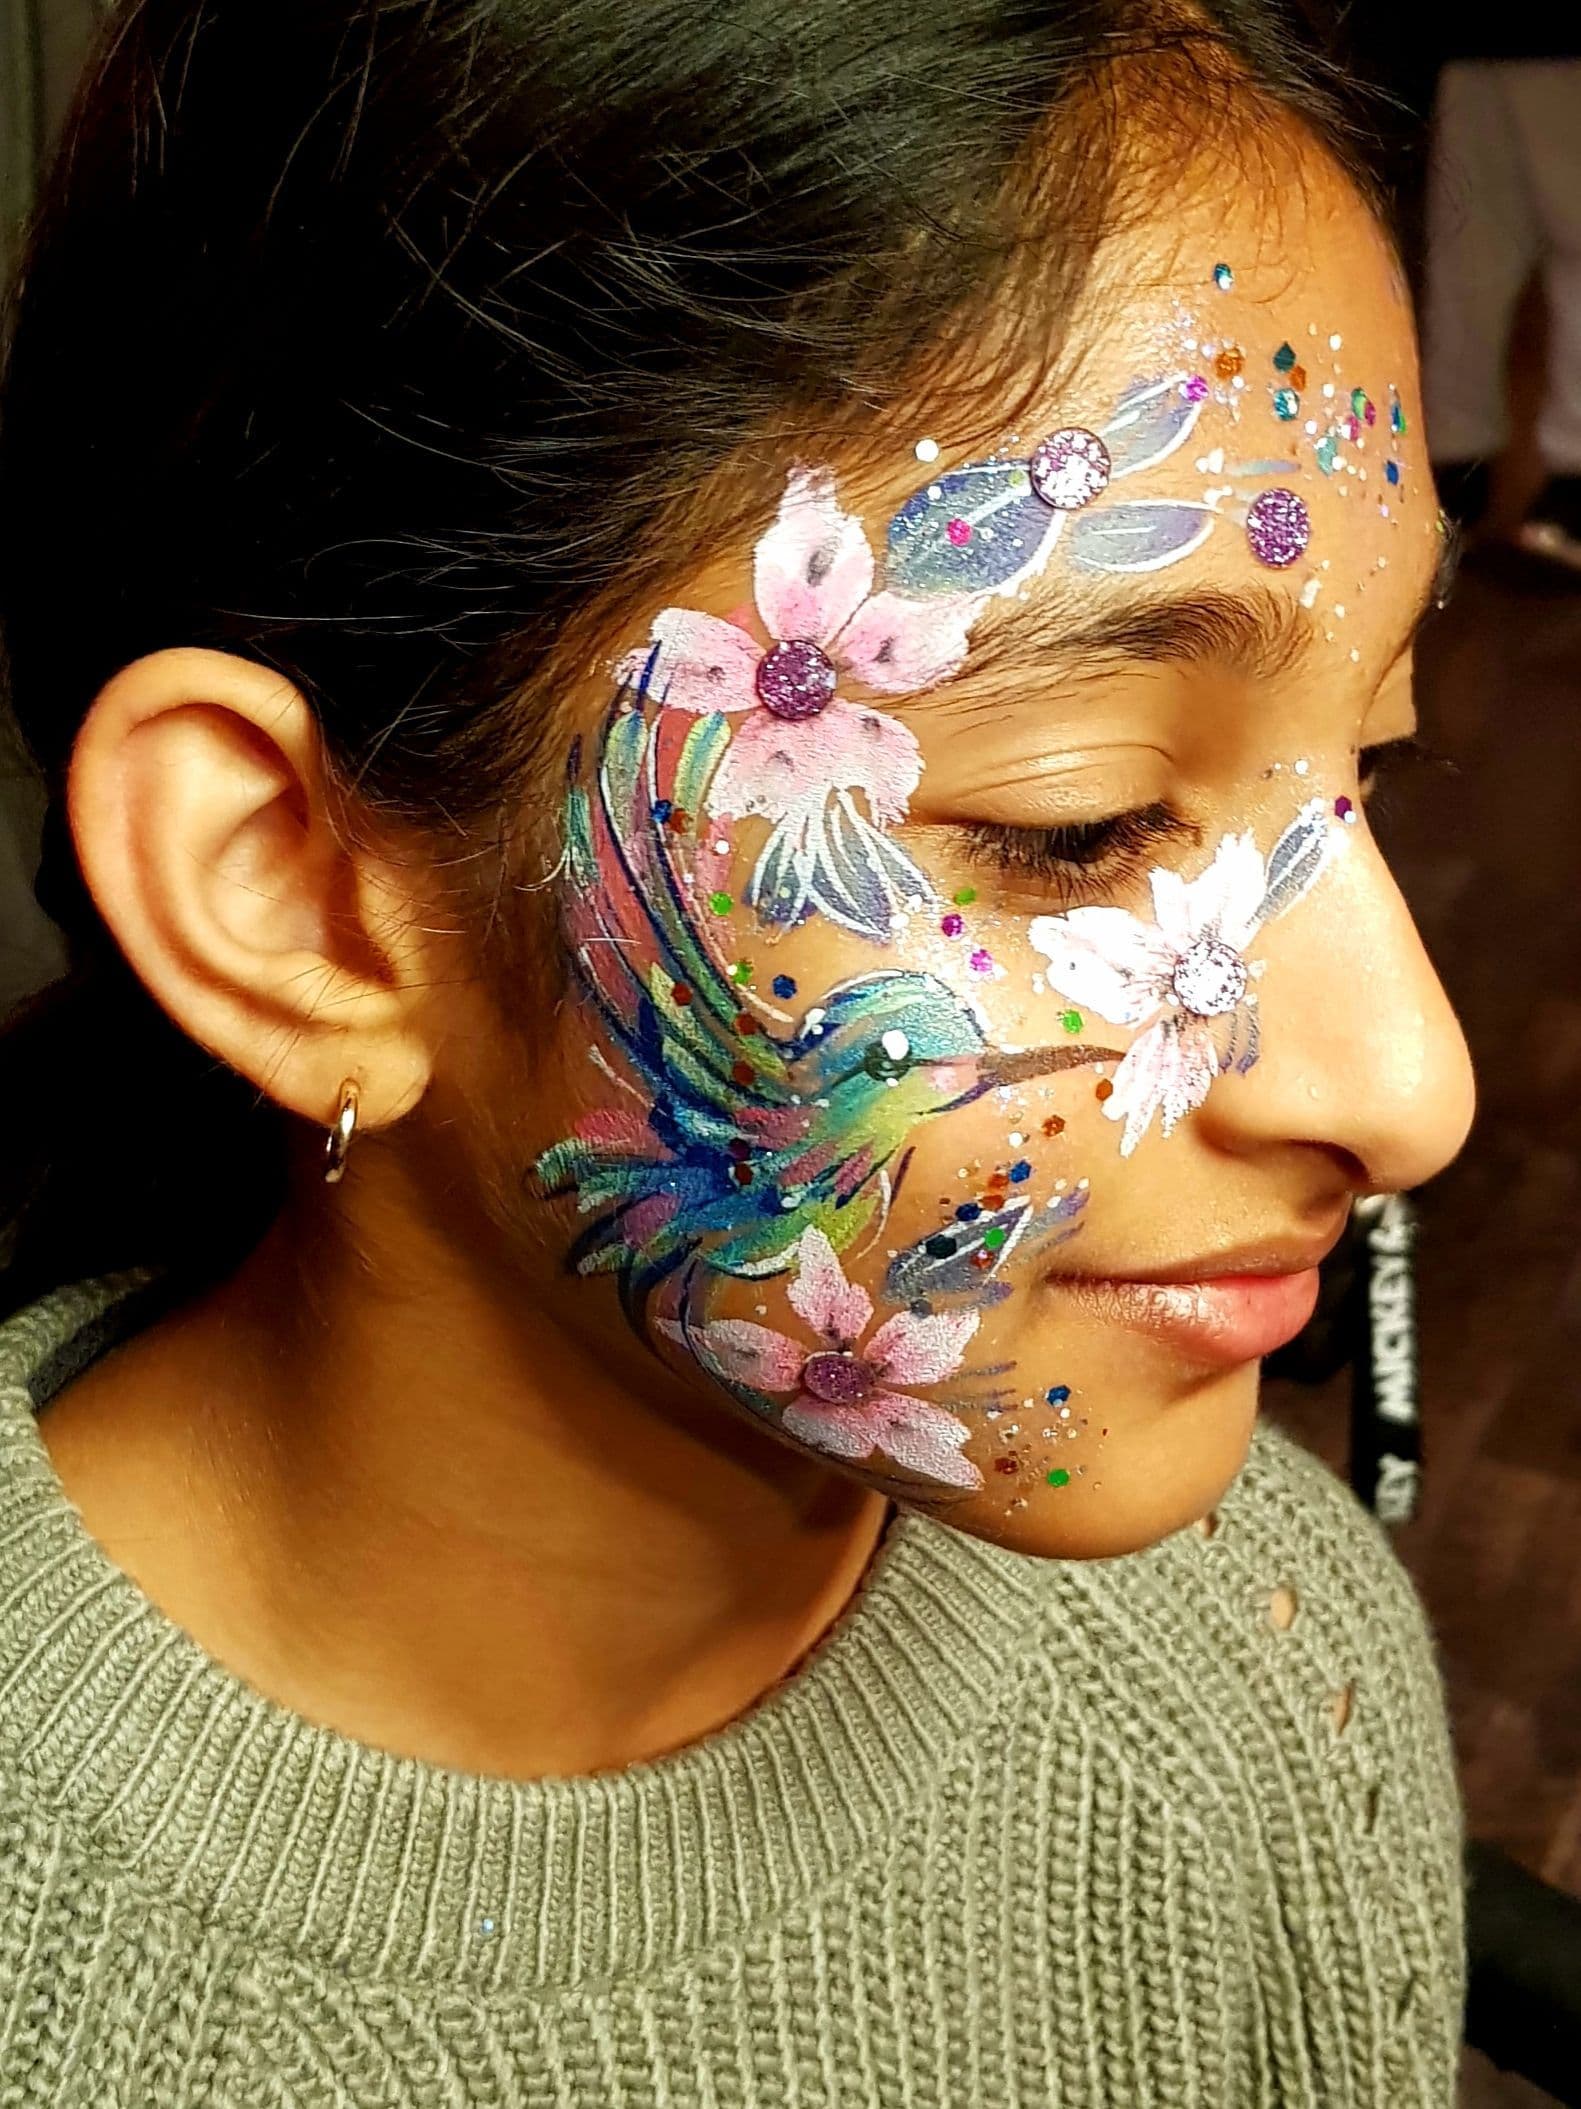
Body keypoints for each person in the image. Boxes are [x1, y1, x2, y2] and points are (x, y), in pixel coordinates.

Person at [0, 0, 1475, 2100]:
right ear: (297, 894)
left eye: (1374, 752)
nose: (1408, 1081)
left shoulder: (1260, 1662)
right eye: (1080, 816)